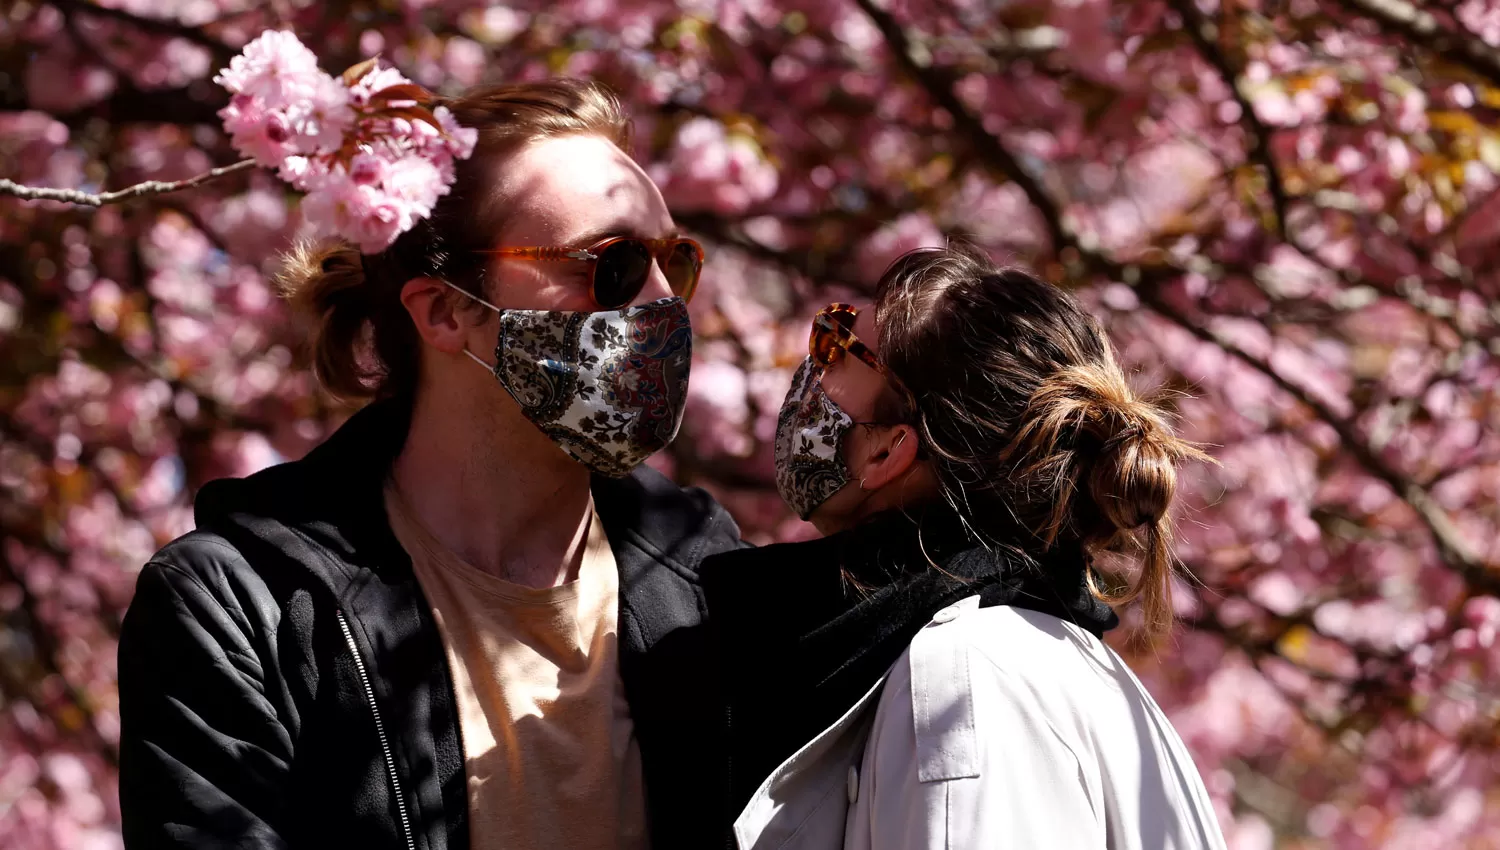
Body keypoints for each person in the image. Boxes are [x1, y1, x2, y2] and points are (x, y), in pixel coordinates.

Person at [117, 79, 744, 850]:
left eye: (673, 262)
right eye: (611, 265)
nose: (660, 302)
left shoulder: (708, 577)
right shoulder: (245, 611)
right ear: (445, 311)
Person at [704, 245, 1227, 849]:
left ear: (886, 450)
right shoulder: (1030, 655)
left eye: (835, 340)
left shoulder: (969, 678)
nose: (811, 367)